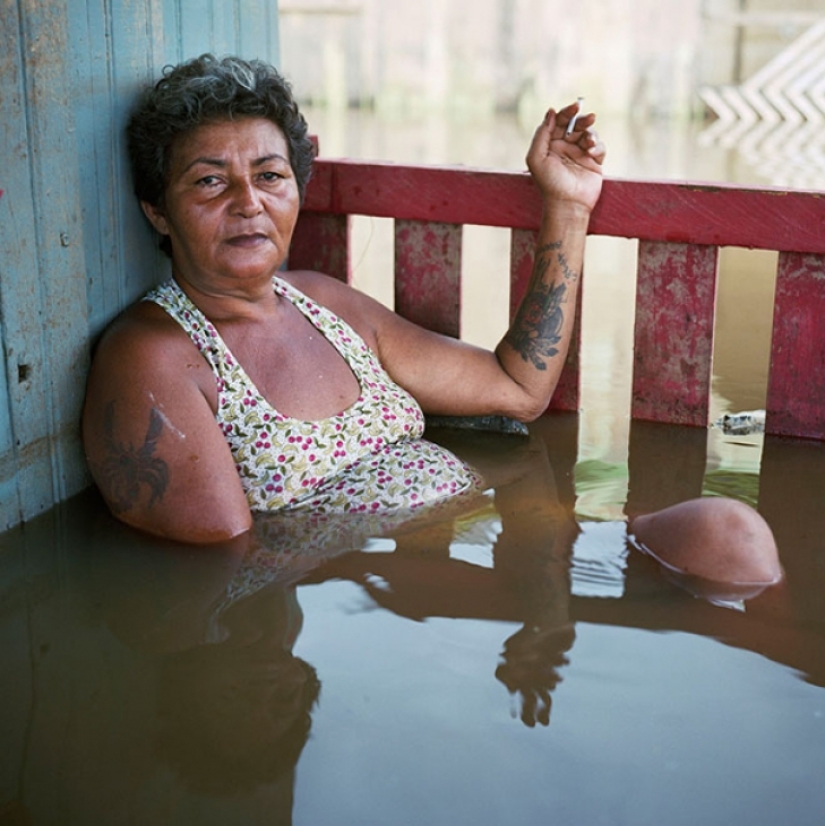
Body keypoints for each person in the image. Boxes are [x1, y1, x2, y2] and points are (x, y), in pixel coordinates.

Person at [82, 53, 605, 544]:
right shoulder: (151, 356)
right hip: (367, 594)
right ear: (158, 211)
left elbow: (518, 388)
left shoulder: (323, 303)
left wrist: (568, 206)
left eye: (269, 176)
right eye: (210, 181)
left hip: (437, 562)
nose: (249, 203)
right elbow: (227, 562)